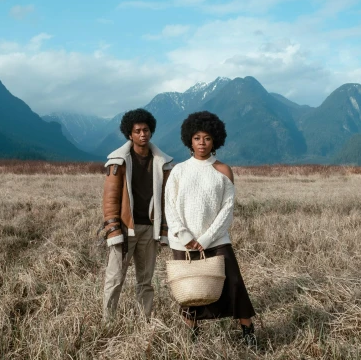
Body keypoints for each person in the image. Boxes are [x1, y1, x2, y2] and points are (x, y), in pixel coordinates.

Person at [164, 111, 257, 347]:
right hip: (183, 241)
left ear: (215, 139)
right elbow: (170, 207)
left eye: (206, 138)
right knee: (190, 288)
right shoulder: (179, 171)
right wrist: (185, 236)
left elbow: (227, 210)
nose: (202, 143)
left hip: (215, 240)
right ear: (189, 140)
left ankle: (248, 332)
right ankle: (192, 336)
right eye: (197, 138)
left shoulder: (223, 171)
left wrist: (205, 239)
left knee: (233, 283)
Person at [102, 108, 174, 320]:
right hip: (125, 228)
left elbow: (165, 199)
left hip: (149, 229)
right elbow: (110, 199)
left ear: (151, 132)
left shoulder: (163, 162)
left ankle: (144, 321)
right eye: (138, 131)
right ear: (130, 134)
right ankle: (108, 321)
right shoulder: (118, 161)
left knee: (146, 280)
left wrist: (164, 230)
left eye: (146, 130)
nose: (143, 134)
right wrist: (113, 230)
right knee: (115, 278)